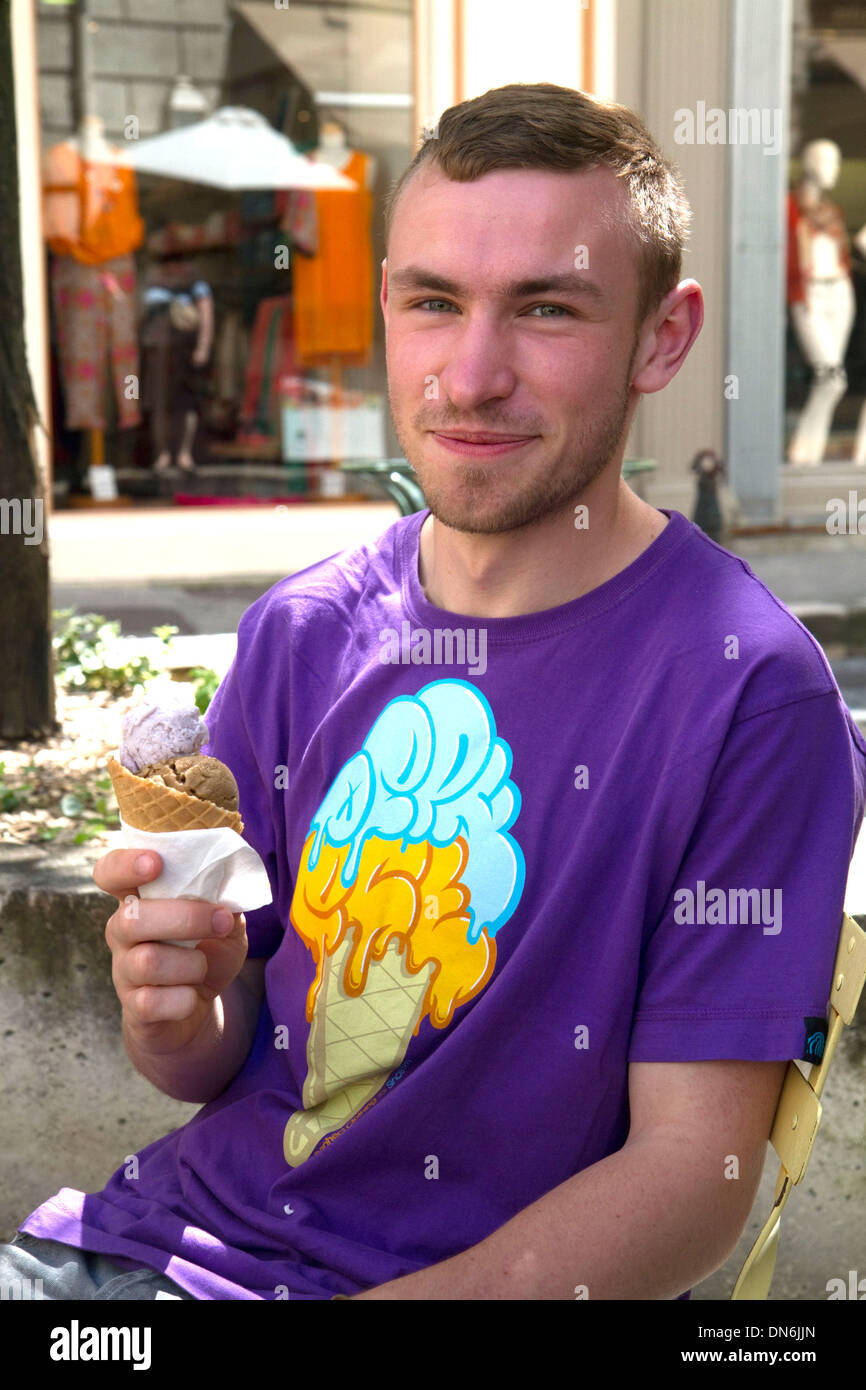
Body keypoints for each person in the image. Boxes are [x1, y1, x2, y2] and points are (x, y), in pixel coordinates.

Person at [4, 83, 866, 1302]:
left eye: (545, 309)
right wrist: (169, 1010)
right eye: (432, 302)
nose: (469, 378)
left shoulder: (745, 690)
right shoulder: (298, 631)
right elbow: (225, 1049)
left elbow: (694, 1175)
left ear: (661, 339)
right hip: (162, 1249)